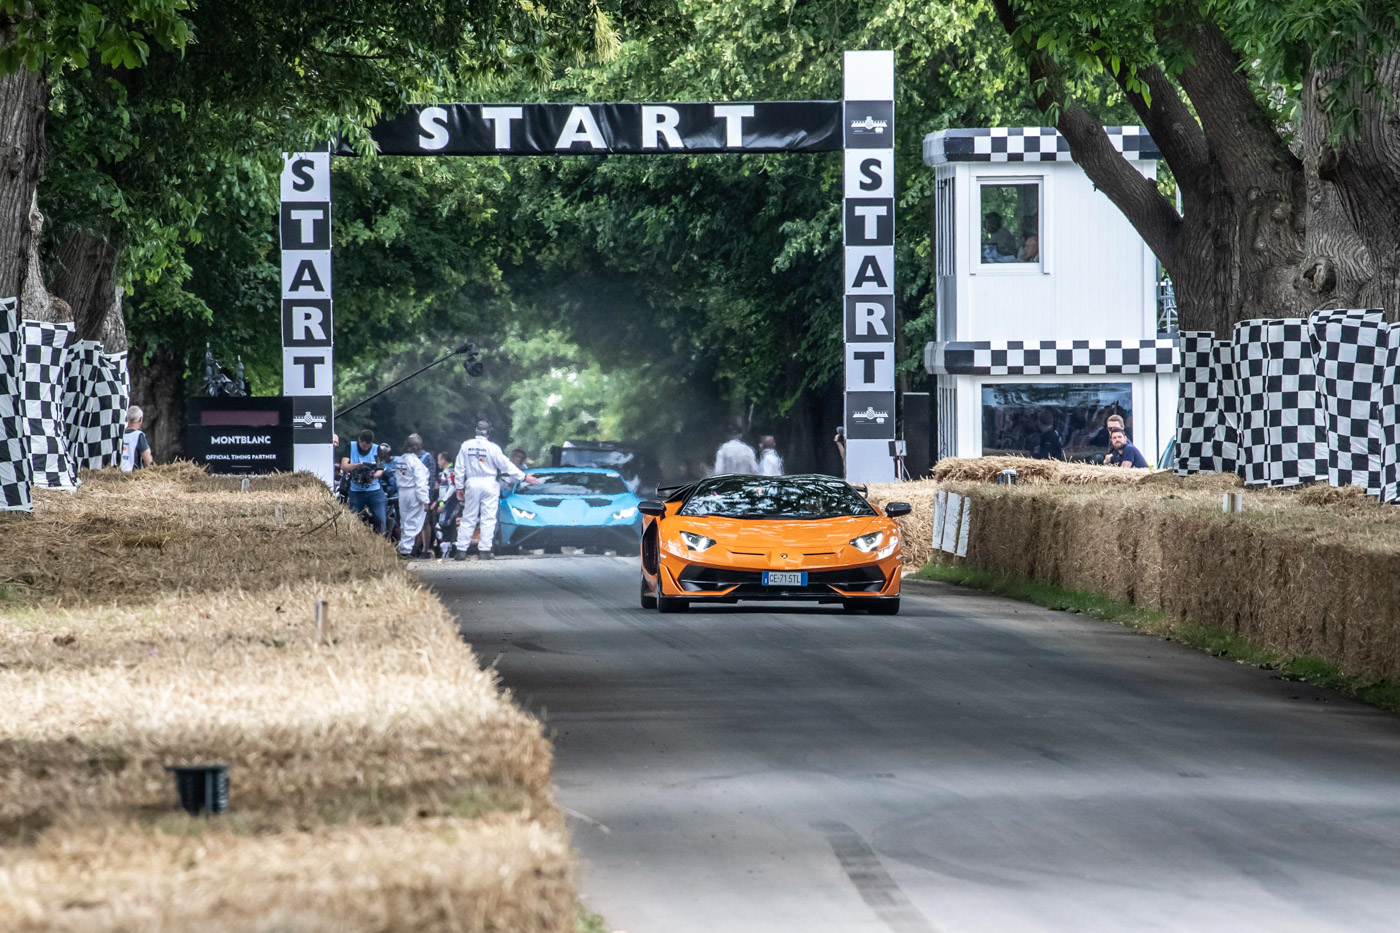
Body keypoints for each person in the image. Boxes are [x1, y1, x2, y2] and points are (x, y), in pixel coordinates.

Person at [454, 420, 539, 560]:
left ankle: (461, 550)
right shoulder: (493, 448)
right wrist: (523, 477)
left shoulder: (466, 446)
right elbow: (506, 466)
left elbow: (459, 467)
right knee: (488, 518)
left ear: (476, 431)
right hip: (489, 483)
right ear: (489, 432)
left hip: (472, 483)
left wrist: (459, 487)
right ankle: (485, 551)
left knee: (469, 516)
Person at [392, 435, 431, 559]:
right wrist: (425, 500)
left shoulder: (401, 460)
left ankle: (403, 547)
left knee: (404, 521)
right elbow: (420, 482)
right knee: (412, 521)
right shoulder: (415, 462)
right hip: (414, 493)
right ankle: (406, 550)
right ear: (418, 448)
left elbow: (397, 476)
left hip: (402, 493)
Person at [341, 429, 386, 533]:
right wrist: (357, 466)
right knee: (353, 519)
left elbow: (380, 470)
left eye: (368, 446)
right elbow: (344, 466)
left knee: (381, 519)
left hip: (374, 489)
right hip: (356, 490)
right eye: (363, 445)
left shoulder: (377, 449)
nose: (365, 448)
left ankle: (379, 538)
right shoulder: (351, 446)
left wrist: (372, 476)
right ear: (359, 440)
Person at [434, 450, 460, 558]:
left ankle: (447, 553)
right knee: (449, 528)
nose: (438, 462)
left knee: (442, 527)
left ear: (444, 460)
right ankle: (451, 552)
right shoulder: (445, 472)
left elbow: (453, 487)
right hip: (448, 504)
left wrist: (442, 503)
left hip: (449, 505)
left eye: (439, 460)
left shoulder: (449, 472)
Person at [120, 405, 154, 472]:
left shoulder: (120, 434)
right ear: (140, 419)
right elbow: (147, 458)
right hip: (132, 476)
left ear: (127, 418)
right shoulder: (138, 435)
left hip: (118, 474)